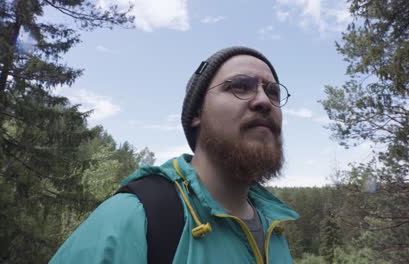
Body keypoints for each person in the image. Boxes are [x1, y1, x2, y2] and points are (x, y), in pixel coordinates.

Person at [50, 46, 299, 264]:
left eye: (273, 92)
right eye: (240, 86)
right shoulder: (134, 217)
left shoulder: (274, 228)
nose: (264, 101)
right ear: (196, 113)